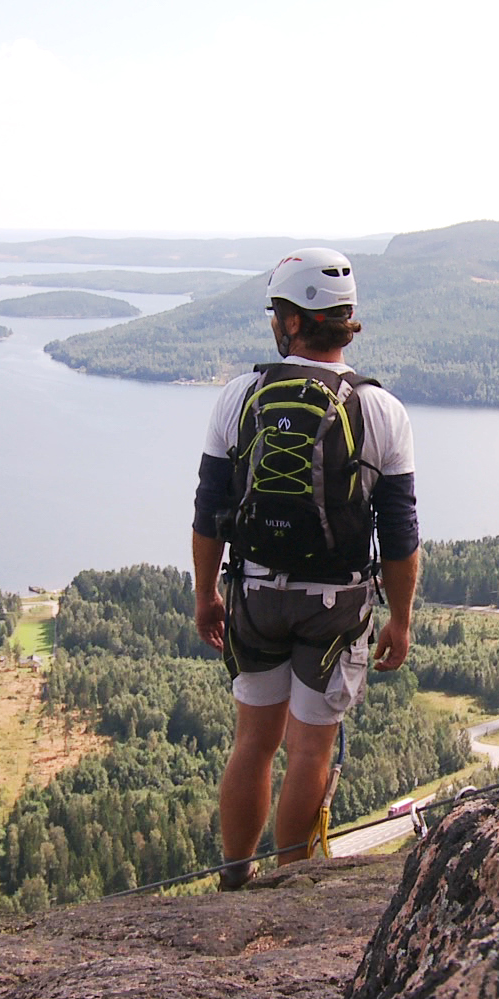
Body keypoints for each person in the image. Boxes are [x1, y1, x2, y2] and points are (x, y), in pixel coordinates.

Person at [189, 247, 419, 891]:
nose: (274, 322)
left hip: (254, 595)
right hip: (336, 606)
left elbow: (208, 513)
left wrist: (206, 595)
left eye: (277, 313)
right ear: (345, 318)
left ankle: (235, 879)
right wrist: (400, 619)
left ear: (292, 321)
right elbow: (400, 537)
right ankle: (291, 888)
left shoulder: (240, 395)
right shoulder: (381, 409)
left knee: (253, 742)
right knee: (311, 749)